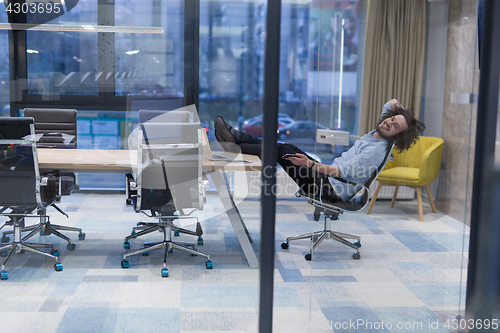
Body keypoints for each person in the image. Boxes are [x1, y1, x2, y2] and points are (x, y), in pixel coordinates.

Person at [214, 99, 425, 202]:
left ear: (397, 136)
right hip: (327, 180)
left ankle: (236, 142)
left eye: (395, 126)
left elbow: (341, 173)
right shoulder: (376, 133)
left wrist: (310, 164)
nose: (389, 123)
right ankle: (237, 141)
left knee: (284, 151)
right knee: (287, 148)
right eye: (391, 118)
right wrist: (403, 115)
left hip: (332, 189)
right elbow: (391, 103)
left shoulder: (376, 151)